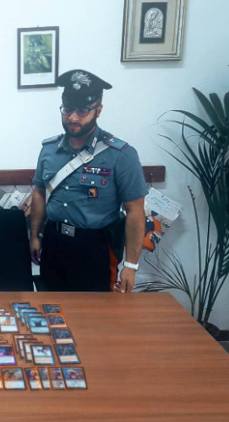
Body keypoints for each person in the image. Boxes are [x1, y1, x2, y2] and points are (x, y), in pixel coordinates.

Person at [29, 69, 147, 294]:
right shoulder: (48, 150)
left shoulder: (121, 155)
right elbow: (40, 192)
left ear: (98, 110)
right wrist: (35, 236)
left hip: (95, 248)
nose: (73, 117)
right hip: (54, 243)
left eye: (83, 110)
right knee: (51, 308)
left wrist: (130, 265)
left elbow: (135, 211)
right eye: (68, 109)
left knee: (97, 313)